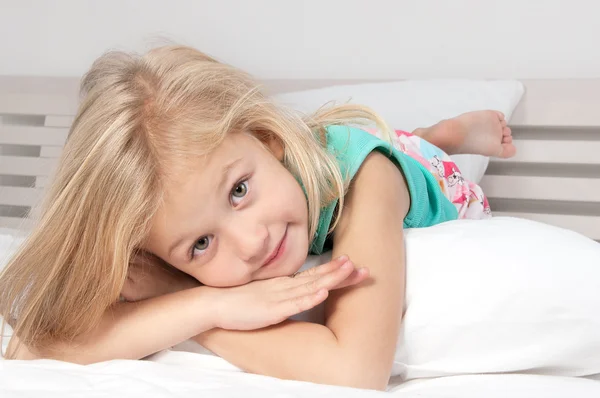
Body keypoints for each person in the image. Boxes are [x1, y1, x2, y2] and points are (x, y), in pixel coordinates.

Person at [0, 45, 515, 390]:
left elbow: (354, 372)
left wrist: (186, 304)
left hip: (421, 179)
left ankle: (441, 137)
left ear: (266, 139)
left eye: (240, 191)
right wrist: (203, 304)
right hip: (301, 158)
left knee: (404, 153)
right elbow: (30, 350)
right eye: (200, 245)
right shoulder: (171, 215)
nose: (249, 243)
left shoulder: (367, 182)